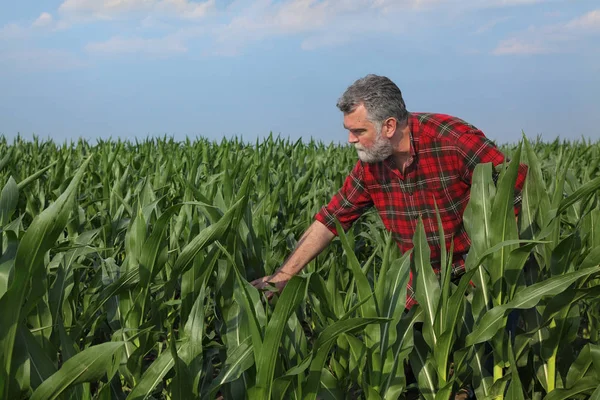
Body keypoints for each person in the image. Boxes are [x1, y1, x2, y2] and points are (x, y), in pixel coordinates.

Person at [251, 73, 528, 311]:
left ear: (390, 126)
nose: (350, 139)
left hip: (478, 277)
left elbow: (515, 189)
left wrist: (502, 266)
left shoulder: (451, 140)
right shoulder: (372, 166)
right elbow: (331, 220)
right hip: (422, 286)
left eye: (358, 130)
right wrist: (282, 277)